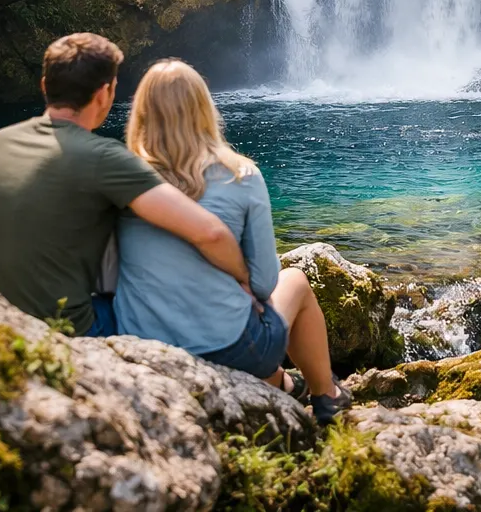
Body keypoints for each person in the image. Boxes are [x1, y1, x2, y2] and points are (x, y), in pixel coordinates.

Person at [0, 33, 251, 337]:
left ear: (44, 86)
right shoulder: (103, 158)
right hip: (56, 331)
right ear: (104, 94)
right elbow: (210, 233)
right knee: (159, 303)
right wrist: (245, 281)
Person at [113, 59, 352, 424]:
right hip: (230, 347)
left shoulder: (120, 180)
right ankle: (326, 395)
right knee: (296, 282)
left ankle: (286, 385)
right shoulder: (241, 175)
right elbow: (264, 282)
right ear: (204, 108)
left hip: (142, 344)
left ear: (141, 113)